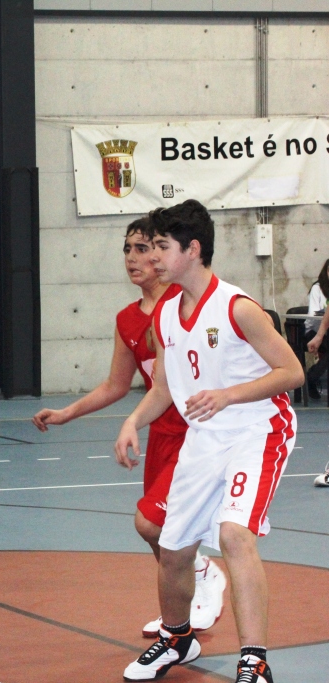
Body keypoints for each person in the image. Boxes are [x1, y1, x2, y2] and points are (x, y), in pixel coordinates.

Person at [115, 200, 302, 683]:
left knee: (234, 535)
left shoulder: (238, 308)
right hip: (205, 437)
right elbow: (164, 389)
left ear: (192, 250)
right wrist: (132, 420)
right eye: (148, 246)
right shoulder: (166, 317)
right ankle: (178, 638)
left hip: (257, 428)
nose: (151, 256)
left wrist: (228, 395)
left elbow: (292, 373)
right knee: (174, 547)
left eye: (161, 246)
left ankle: (254, 661)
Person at [32, 217, 226, 639]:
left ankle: (204, 574)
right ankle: (183, 607)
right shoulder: (127, 318)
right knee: (160, 530)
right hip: (161, 434)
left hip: (198, 431)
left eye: (145, 248)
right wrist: (68, 413)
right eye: (129, 249)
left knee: (151, 523)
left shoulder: (185, 302)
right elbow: (116, 385)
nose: (136, 258)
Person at [303, 258, 329, 400]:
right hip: (313, 331)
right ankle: (311, 377)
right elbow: (313, 314)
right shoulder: (317, 288)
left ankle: (312, 376)